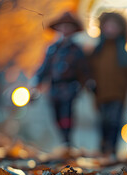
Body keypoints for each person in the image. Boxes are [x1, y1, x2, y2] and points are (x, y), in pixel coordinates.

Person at [33, 12, 89, 158]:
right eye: (62, 26)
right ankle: (63, 143)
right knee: (56, 116)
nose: (65, 29)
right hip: (54, 88)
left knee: (67, 114)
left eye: (68, 27)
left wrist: (87, 84)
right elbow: (44, 68)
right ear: (58, 28)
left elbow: (84, 69)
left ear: (73, 29)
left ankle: (67, 143)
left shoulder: (77, 49)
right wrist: (37, 84)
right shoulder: (52, 49)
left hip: (70, 87)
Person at [90, 12, 127, 161]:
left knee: (114, 121)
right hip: (99, 95)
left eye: (115, 26)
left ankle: (111, 151)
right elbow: (88, 71)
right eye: (108, 25)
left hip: (118, 96)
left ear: (122, 29)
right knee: (102, 122)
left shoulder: (125, 54)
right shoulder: (96, 52)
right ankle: (102, 150)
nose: (111, 28)